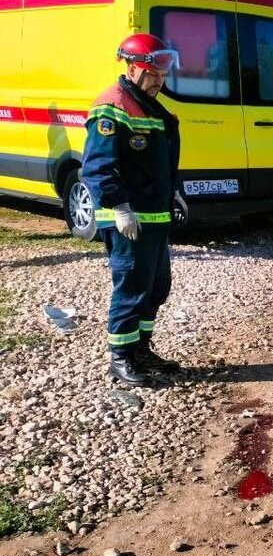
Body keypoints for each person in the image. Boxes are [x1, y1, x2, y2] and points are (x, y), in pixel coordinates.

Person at [81, 33, 186, 386]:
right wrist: (120, 206)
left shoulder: (147, 103)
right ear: (132, 67)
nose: (159, 81)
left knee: (156, 287)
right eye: (153, 74)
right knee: (132, 287)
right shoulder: (113, 107)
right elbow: (97, 166)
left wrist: (174, 194)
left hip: (155, 216)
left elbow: (157, 162)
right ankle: (121, 357)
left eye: (162, 74)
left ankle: (140, 348)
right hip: (129, 218)